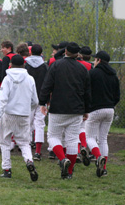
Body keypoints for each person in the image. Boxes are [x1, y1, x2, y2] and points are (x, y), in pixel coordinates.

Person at [39, 42, 91, 179]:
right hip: (76, 109)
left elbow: (47, 85)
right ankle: (69, 172)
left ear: (65, 51)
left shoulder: (56, 65)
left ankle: (62, 159)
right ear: (77, 54)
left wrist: (42, 102)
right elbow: (87, 92)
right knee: (72, 140)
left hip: (58, 108)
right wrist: (86, 110)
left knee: (53, 137)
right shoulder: (82, 69)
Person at [0, 54, 39, 182]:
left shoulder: (8, 79)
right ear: (24, 65)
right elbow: (35, 101)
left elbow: (2, 100)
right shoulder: (30, 79)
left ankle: (7, 170)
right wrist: (27, 109)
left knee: (5, 142)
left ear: (10, 65)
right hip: (24, 115)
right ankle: (29, 161)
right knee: (24, 143)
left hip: (8, 114)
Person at [85, 51, 120, 177]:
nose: (94, 61)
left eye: (95, 59)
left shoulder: (93, 73)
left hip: (95, 110)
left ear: (98, 60)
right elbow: (117, 96)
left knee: (89, 138)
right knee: (103, 139)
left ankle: (99, 157)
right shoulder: (113, 75)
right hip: (110, 109)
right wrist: (111, 104)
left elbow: (87, 92)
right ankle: (103, 169)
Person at [25, 44, 48, 161]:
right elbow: (48, 84)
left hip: (28, 99)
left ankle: (27, 149)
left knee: (27, 124)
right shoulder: (45, 66)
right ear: (41, 53)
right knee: (39, 124)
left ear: (30, 52)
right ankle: (38, 152)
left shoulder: (26, 65)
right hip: (41, 99)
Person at [76, 46, 93, 165]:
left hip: (75, 97)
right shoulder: (91, 66)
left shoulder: (76, 64)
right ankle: (84, 146)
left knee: (74, 128)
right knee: (83, 127)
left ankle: (77, 151)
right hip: (86, 97)